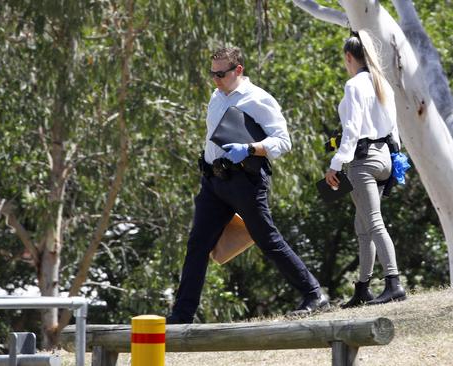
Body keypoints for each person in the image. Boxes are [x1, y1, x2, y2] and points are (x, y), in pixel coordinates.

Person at [166, 46, 329, 324]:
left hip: (245, 180)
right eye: (212, 73)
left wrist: (250, 148)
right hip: (213, 182)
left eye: (221, 73)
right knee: (197, 245)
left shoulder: (257, 98)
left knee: (267, 239)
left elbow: (283, 142)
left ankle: (315, 294)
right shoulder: (216, 96)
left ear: (238, 70)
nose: (215, 79)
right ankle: (182, 315)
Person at [324, 30, 407, 307]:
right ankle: (362, 288)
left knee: (373, 222)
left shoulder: (354, 86)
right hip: (384, 158)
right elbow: (394, 131)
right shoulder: (382, 83)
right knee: (362, 226)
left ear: (349, 57)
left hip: (363, 161)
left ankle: (393, 283)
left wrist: (335, 164)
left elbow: (352, 131)